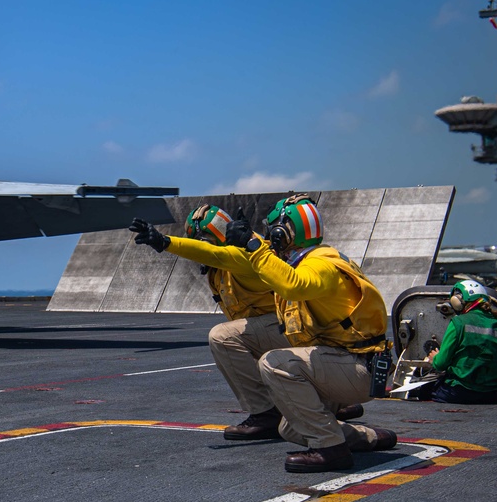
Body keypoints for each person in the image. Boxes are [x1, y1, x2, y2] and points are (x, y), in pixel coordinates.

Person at [130, 204, 366, 427]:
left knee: (224, 337)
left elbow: (216, 253)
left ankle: (265, 413)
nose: (200, 249)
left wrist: (166, 242)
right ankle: (328, 403)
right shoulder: (222, 271)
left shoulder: (241, 258)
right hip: (288, 332)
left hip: (292, 330)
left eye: (202, 243)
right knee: (246, 348)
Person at [216, 194, 397, 473]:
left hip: (356, 368)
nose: (270, 239)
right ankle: (367, 437)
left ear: (284, 232)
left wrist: (253, 246)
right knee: (290, 427)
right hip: (346, 363)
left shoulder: (320, 263)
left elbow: (294, 286)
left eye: (273, 231)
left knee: (275, 363)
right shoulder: (308, 260)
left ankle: (331, 449)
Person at [129, 206, 275, 321]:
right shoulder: (217, 272)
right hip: (262, 328)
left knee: (222, 337)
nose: (201, 246)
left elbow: (211, 253)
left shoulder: (244, 255)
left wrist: (165, 242)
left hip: (276, 327)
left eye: (206, 241)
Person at [421, 279, 497, 403]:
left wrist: (434, 357)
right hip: (494, 395)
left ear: (458, 301)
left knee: (424, 390)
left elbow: (441, 364)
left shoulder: (459, 322)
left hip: (459, 392)